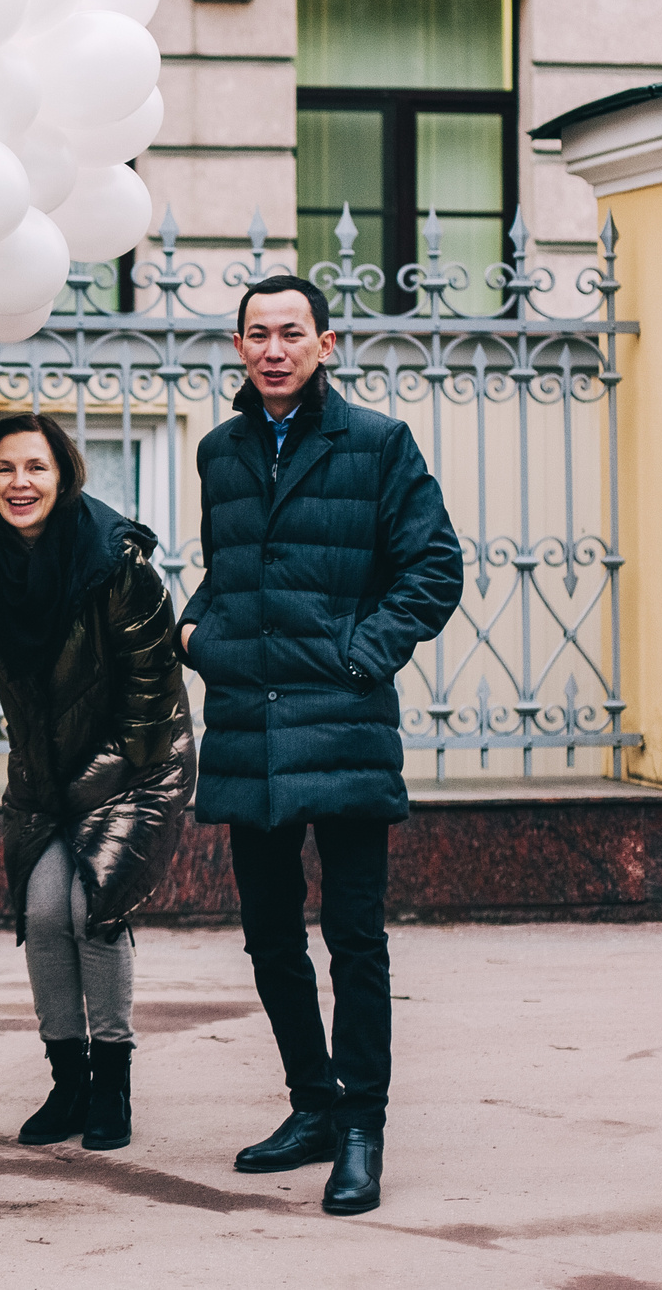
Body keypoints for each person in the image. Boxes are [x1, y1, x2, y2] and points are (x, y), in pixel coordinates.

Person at [177, 274, 462, 1216]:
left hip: (342, 724)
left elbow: (434, 567)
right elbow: (228, 572)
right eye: (257, 333)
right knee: (268, 934)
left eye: (291, 332)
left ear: (325, 344)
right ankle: (313, 1102)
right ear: (239, 346)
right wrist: (195, 634)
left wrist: (360, 655)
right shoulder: (220, 451)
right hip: (251, 727)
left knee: (354, 938)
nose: (274, 349)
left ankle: (362, 1127)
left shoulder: (377, 443)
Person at [0, 414, 192, 1155]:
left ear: (64, 476)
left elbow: (151, 705)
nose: (19, 483)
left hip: (136, 768)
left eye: (36, 467)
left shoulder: (116, 561)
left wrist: (75, 790)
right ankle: (68, 1082)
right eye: (4, 469)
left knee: (91, 906)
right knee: (44, 909)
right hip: (43, 779)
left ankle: (112, 1082)